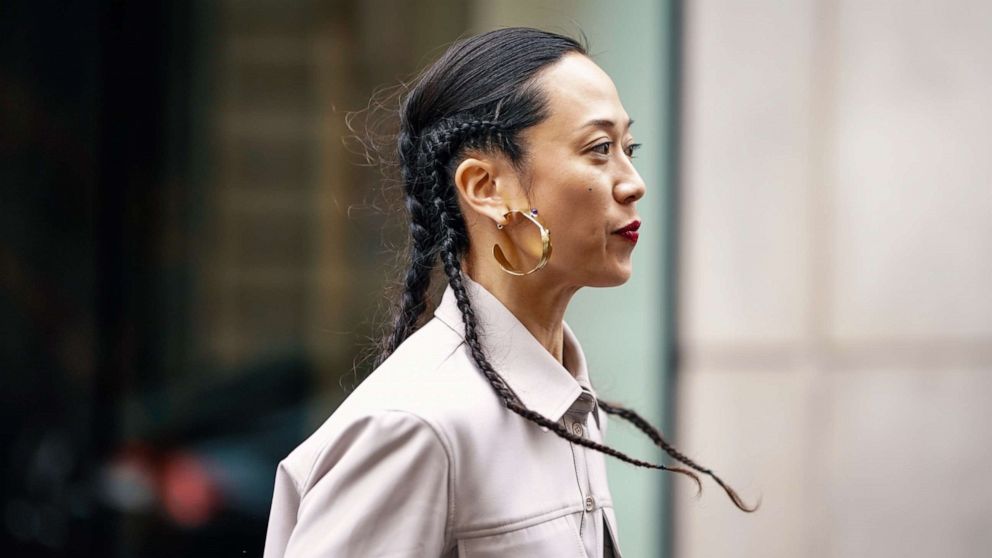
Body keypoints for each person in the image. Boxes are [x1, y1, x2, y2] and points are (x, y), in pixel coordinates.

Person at [263, 26, 757, 558]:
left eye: (628, 147)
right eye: (598, 149)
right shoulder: (415, 426)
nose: (633, 181)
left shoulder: (569, 403)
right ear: (486, 188)